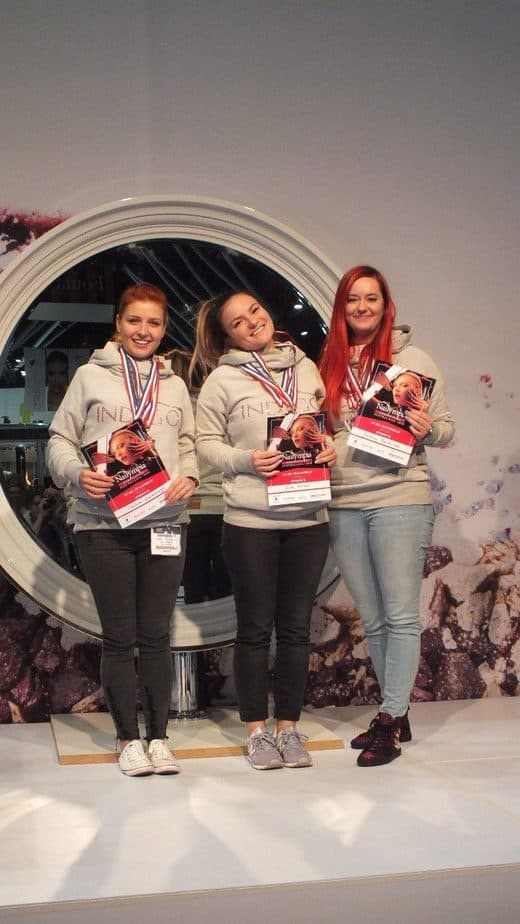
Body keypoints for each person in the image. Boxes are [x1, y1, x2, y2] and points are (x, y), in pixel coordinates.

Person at [47, 283, 199, 777]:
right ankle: (127, 740)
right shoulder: (90, 376)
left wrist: (192, 476)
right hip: (102, 525)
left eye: (153, 322)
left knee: (156, 637)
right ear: (118, 323)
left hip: (164, 524)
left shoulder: (174, 386)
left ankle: (159, 738)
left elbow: (190, 444)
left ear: (164, 328)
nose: (143, 331)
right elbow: (59, 440)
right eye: (134, 320)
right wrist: (77, 473)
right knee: (119, 637)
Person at [319, 265, 455, 767]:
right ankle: (396, 712)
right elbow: (328, 430)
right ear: (342, 307)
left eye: (371, 298)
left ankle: (390, 718)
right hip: (344, 500)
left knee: (400, 615)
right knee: (373, 618)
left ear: (385, 304)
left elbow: (445, 428)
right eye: (352, 299)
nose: (362, 307)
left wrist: (426, 427)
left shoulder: (413, 359)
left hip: (399, 495)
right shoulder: (329, 362)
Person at [194, 290, 336, 770]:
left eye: (254, 310)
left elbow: (324, 428)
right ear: (228, 336)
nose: (252, 322)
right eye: (237, 321)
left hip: (308, 518)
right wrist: (245, 460)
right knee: (254, 629)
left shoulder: (306, 367)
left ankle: (289, 727)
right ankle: (257, 731)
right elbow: (205, 444)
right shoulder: (222, 379)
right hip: (250, 521)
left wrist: (330, 447)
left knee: (295, 630)